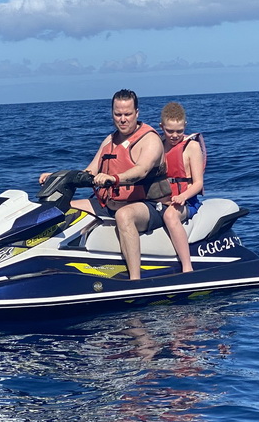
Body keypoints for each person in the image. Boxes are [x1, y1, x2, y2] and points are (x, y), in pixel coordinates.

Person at [39, 89, 170, 280]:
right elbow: (89, 172)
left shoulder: (150, 140)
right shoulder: (110, 140)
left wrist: (114, 178)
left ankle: (135, 280)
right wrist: (57, 176)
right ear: (112, 114)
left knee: (124, 215)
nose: (122, 119)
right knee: (64, 209)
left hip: (151, 206)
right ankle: (54, 265)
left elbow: (141, 170)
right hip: (111, 204)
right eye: (118, 114)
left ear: (137, 113)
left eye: (127, 114)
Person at [159, 101, 206, 273]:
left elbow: (198, 183)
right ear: (161, 127)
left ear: (185, 125)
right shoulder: (157, 145)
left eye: (179, 131)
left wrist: (183, 197)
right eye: (169, 131)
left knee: (171, 215)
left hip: (187, 200)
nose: (174, 135)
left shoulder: (191, 147)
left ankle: (187, 267)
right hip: (162, 197)